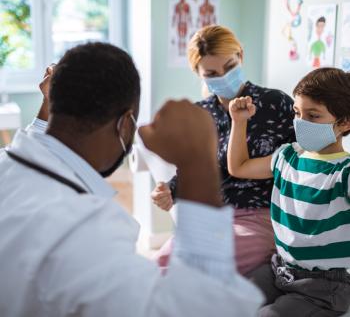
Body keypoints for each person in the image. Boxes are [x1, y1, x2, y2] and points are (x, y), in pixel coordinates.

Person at [0, 42, 263, 316]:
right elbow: (202, 307)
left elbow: (39, 143)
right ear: (125, 124)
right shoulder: (83, 233)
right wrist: (198, 160)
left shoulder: (7, 163)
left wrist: (47, 108)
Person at [152, 25, 296, 275]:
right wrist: (168, 191)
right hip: (212, 217)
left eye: (230, 67)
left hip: (262, 216)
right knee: (160, 264)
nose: (223, 76)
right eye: (212, 73)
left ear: (241, 56)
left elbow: (299, 163)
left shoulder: (276, 103)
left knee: (192, 267)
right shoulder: (199, 115)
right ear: (198, 73)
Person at [227, 67, 350, 316]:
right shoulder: (287, 157)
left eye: (313, 116)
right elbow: (238, 167)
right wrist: (238, 123)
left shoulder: (344, 172)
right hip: (279, 269)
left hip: (324, 286)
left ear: (344, 122)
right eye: (297, 112)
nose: (301, 123)